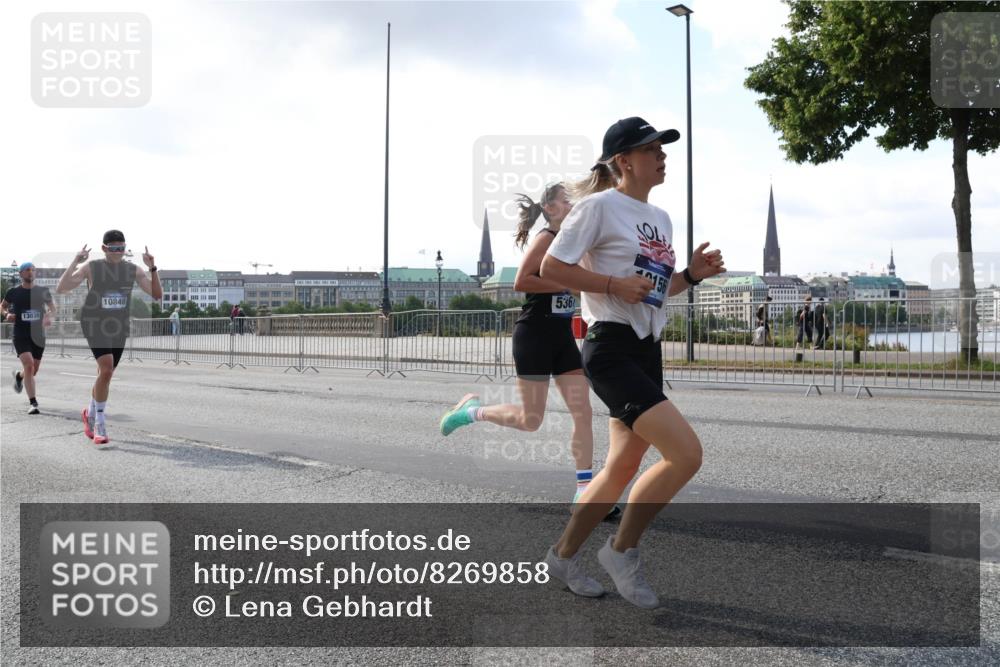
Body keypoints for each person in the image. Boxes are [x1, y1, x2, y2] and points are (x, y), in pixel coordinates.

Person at [539, 117, 725, 608]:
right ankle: (621, 550)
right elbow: (551, 268)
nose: (662, 157)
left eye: (663, 150)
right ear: (624, 161)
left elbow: (656, 294)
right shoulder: (597, 209)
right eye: (652, 149)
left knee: (620, 468)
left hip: (645, 346)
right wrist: (613, 285)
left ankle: (561, 556)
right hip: (610, 347)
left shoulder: (660, 218)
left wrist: (690, 274)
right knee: (685, 454)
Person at [439, 183, 604, 509]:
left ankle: (584, 490)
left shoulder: (572, 243)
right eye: (567, 200)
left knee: (583, 412)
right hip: (535, 335)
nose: (574, 204)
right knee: (531, 420)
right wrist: (569, 282)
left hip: (561, 337)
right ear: (552, 208)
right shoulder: (546, 238)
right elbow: (522, 280)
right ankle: (470, 412)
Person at [56, 231, 162, 444]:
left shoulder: (133, 270)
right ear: (104, 248)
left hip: (118, 325)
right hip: (94, 322)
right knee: (106, 368)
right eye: (113, 248)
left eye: (121, 248)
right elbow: (62, 287)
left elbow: (156, 294)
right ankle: (100, 425)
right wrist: (76, 261)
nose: (118, 252)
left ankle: (90, 413)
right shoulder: (92, 267)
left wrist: (152, 267)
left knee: (106, 374)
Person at [1, 262, 57, 414]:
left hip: (38, 335)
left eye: (33, 270)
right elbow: (2, 306)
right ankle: (33, 403)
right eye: (27, 270)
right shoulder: (13, 292)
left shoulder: (43, 291)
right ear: (20, 274)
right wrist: (7, 314)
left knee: (33, 370)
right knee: (29, 365)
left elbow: (53, 308)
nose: (31, 272)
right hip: (20, 334)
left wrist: (48, 316)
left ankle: (19, 376)